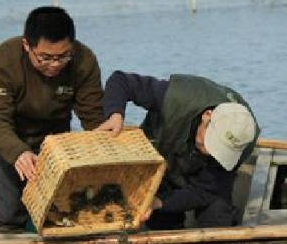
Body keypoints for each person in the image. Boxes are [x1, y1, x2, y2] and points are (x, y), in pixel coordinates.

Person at [0, 6, 104, 233]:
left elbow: (93, 117)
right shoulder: (2, 61)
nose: (54, 64)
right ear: (27, 46)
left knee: (59, 210)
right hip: (6, 132)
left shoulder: (84, 61)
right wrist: (18, 152)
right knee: (9, 212)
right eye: (45, 57)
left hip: (53, 132)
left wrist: (108, 139)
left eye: (63, 56)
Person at [96, 71, 260, 229]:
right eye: (209, 141)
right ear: (207, 116)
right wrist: (115, 114)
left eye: (219, 149)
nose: (209, 152)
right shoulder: (174, 98)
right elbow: (121, 81)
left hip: (205, 178)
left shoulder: (243, 141)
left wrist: (160, 202)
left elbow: (206, 190)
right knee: (160, 220)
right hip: (163, 159)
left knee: (217, 216)